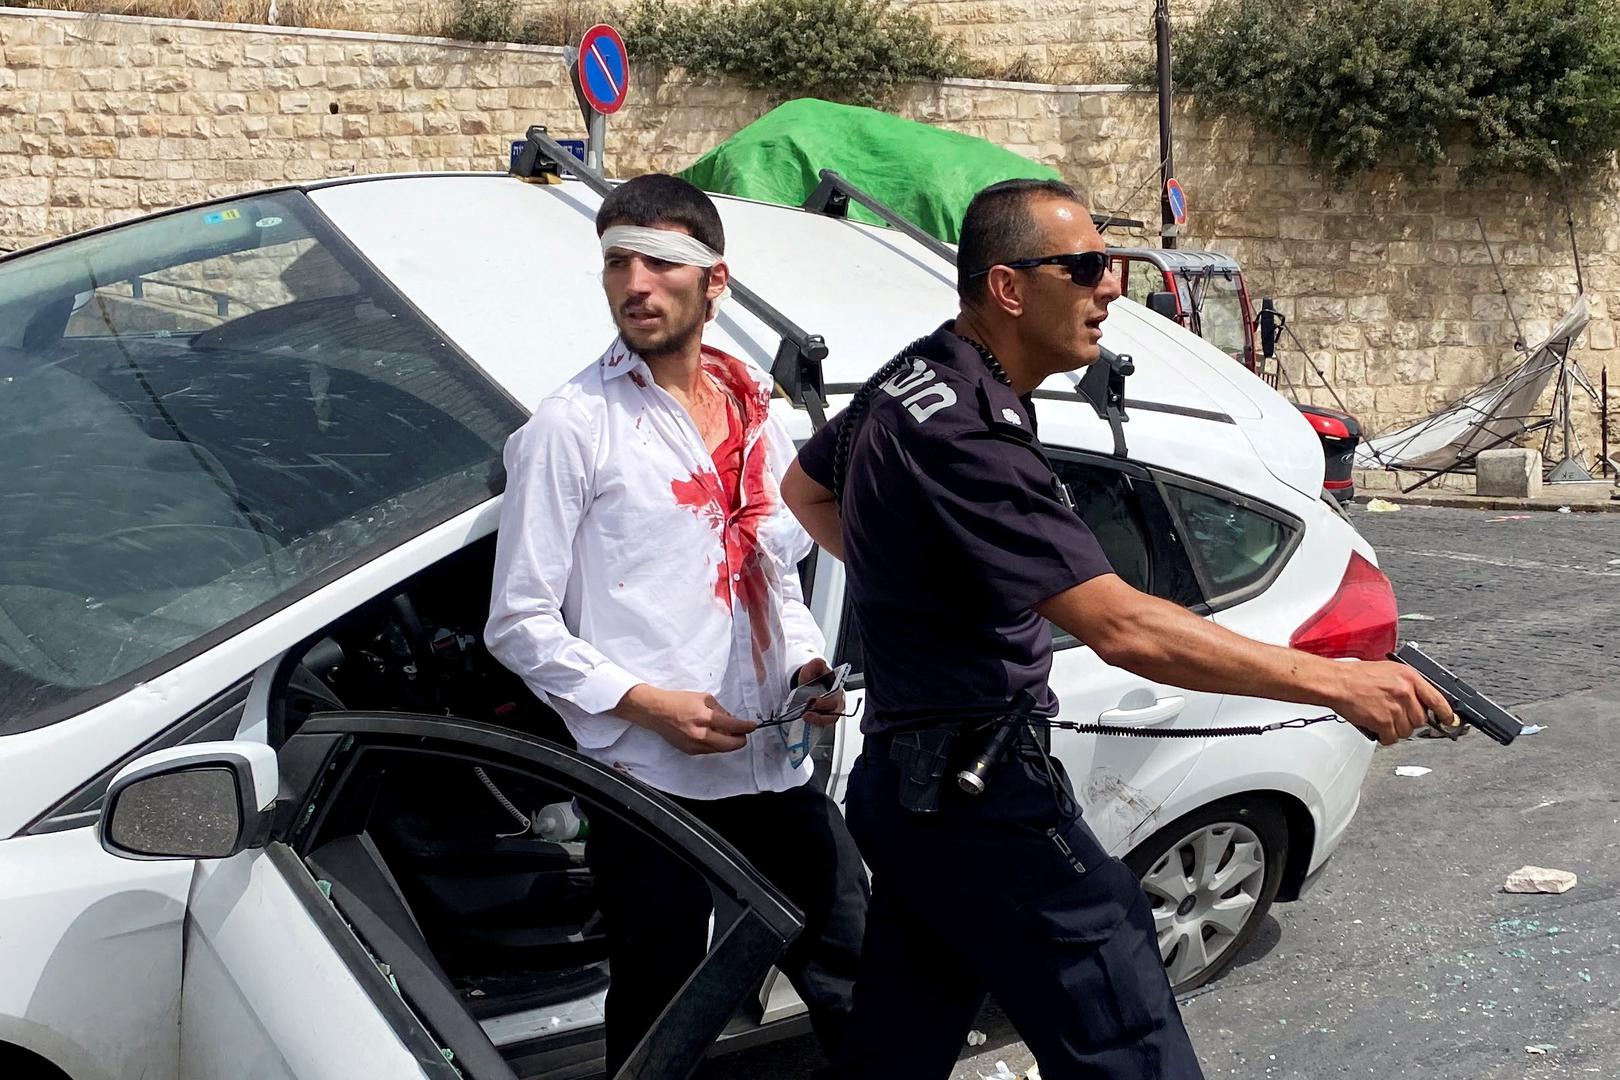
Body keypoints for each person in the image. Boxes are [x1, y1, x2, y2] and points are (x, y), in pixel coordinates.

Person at [781, 178, 1453, 1079]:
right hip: (981, 800)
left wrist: (924, 586)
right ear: (1010, 288)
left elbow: (807, 492)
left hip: (911, 793)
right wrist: (1338, 681)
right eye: (1089, 267)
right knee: (1126, 1024)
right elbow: (1125, 628)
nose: (1110, 289)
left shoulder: (913, 378)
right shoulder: (975, 440)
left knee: (898, 1044)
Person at [485, 174, 867, 1073]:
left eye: (661, 262)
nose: (635, 283)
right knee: (664, 1004)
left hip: (768, 759)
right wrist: (645, 702)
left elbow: (775, 569)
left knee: (853, 961)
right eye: (618, 261)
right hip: (648, 775)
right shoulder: (573, 427)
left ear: (714, 283)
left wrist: (808, 669)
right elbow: (519, 621)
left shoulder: (756, 415)